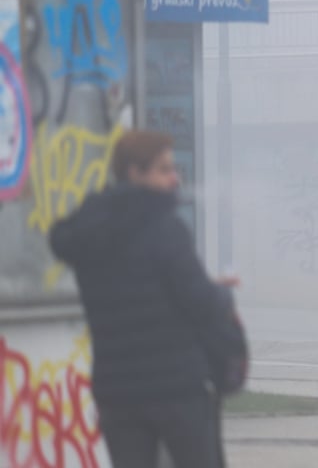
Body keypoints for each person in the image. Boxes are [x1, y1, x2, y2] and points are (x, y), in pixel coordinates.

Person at [50, 130, 237, 468]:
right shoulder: (165, 229)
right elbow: (200, 302)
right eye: (164, 169)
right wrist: (222, 293)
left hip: (117, 391)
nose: (174, 177)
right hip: (176, 387)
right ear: (135, 172)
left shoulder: (89, 231)